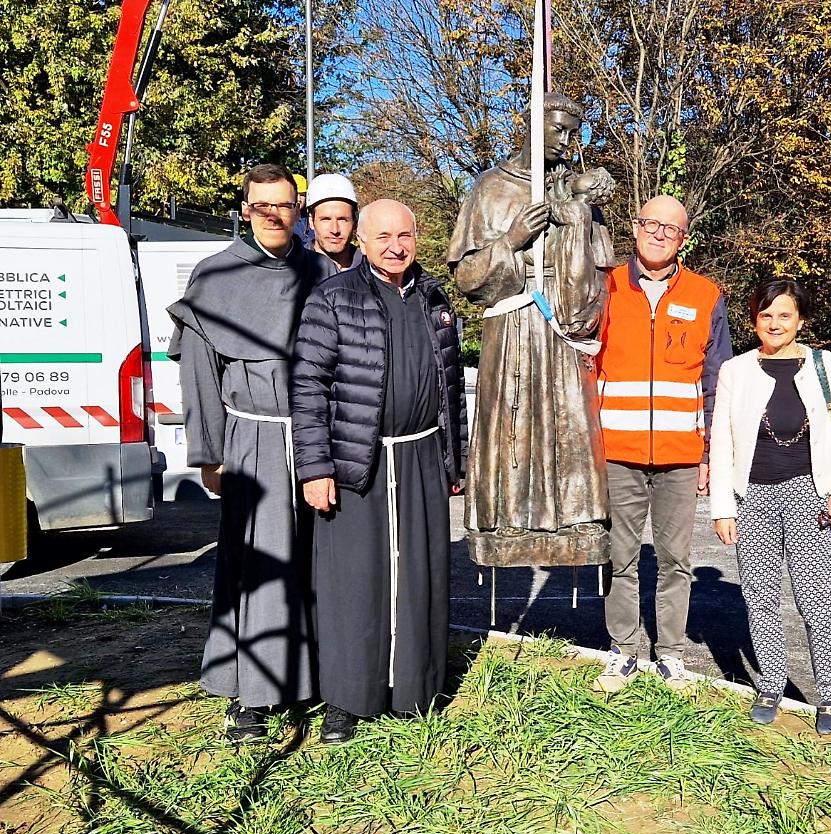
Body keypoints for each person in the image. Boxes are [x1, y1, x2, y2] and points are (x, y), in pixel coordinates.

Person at [167, 164, 335, 742]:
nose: (273, 213)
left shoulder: (324, 273)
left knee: (318, 562)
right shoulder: (214, 278)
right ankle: (252, 697)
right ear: (245, 209)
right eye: (262, 204)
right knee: (257, 565)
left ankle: (315, 680)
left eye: (284, 204)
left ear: (297, 209)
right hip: (251, 439)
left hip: (317, 438)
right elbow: (199, 375)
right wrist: (208, 452)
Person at [292, 199, 466, 743]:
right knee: (353, 583)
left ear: (417, 237)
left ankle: (417, 689)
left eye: (405, 235)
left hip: (421, 456)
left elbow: (451, 388)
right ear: (361, 242)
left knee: (421, 575)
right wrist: (315, 466)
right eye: (384, 236)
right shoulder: (333, 298)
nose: (396, 246)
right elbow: (309, 386)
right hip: (355, 460)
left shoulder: (436, 300)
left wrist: (453, 460)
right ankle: (347, 699)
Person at [447, 92, 614, 569]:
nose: (566, 141)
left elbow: (600, 277)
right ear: (532, 125)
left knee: (569, 422)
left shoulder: (577, 191)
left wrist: (577, 219)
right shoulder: (490, 189)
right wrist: (513, 240)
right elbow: (467, 279)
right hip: (513, 331)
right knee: (513, 426)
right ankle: (508, 523)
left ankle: (576, 521)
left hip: (562, 330)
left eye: (572, 132)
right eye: (557, 129)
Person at [710, 278, 831, 733]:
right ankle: (772, 683)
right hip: (751, 496)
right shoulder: (737, 370)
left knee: (816, 601)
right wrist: (723, 506)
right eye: (765, 315)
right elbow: (721, 442)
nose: (774, 324)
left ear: (800, 320)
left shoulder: (825, 366)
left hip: (808, 495)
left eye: (784, 315)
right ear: (753, 320)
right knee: (759, 598)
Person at [590, 195, 732, 692]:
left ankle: (669, 653)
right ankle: (623, 650)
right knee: (619, 556)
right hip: (616, 452)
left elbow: (717, 380)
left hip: (681, 455)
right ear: (635, 227)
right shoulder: (602, 286)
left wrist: (711, 452)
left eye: (669, 228)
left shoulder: (706, 294)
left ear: (684, 238)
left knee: (675, 560)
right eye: (650, 223)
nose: (658, 233)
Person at [306, 172, 362, 271]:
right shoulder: (293, 270)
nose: (335, 230)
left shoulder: (371, 268)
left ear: (355, 222)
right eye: (326, 219)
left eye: (342, 220)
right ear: (311, 221)